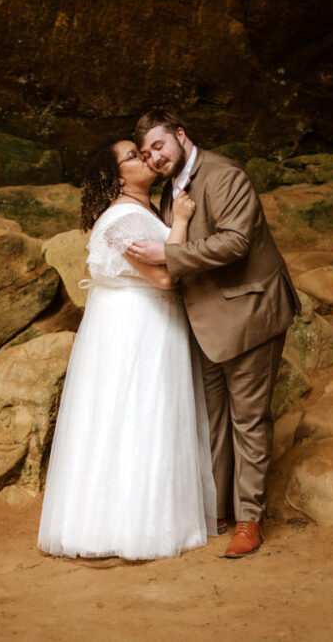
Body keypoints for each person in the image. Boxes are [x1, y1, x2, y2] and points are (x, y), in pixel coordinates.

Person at [128, 110, 299, 558]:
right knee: (214, 420)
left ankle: (249, 520)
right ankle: (217, 510)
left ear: (181, 135)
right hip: (203, 322)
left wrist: (167, 254)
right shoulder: (169, 190)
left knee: (248, 419)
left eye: (160, 146)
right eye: (147, 154)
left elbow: (236, 241)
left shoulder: (224, 175)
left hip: (248, 313)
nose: (155, 158)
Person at [37, 139, 217, 560]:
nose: (145, 158)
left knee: (153, 416)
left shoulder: (147, 212)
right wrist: (185, 222)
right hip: (135, 327)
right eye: (133, 156)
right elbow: (164, 279)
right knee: (134, 415)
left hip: (155, 324)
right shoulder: (121, 219)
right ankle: (115, 529)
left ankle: (157, 518)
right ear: (118, 176)